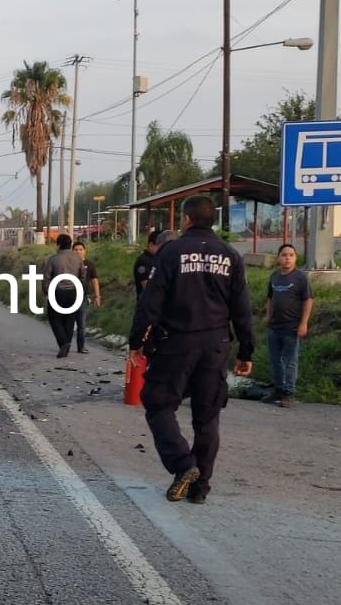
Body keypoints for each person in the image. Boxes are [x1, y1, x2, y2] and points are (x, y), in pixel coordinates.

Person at [128, 194, 253, 505]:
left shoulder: (171, 252)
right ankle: (200, 489)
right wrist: (246, 351)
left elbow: (150, 303)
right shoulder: (230, 256)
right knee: (207, 417)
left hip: (178, 343)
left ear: (186, 219)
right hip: (216, 345)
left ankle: (184, 465)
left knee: (157, 403)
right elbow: (242, 309)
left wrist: (137, 343)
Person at [263, 243, 313, 408]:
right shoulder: (274, 277)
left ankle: (289, 393)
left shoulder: (300, 278)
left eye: (291, 255)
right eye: (284, 255)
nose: (287, 258)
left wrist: (303, 323)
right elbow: (270, 298)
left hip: (292, 327)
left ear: (295, 258)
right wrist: (268, 316)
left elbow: (308, 300)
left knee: (290, 361)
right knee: (275, 360)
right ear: (278, 258)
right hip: (274, 327)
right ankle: (278, 389)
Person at [43, 234, 85, 358]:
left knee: (54, 318)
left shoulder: (53, 259)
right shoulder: (77, 259)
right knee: (70, 319)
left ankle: (63, 342)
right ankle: (67, 343)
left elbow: (46, 278)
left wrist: (46, 292)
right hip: (74, 292)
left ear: (59, 245)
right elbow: (83, 275)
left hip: (57, 292)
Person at [72, 240, 101, 353]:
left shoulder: (89, 264)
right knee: (68, 323)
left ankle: (81, 347)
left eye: (80, 249)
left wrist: (97, 296)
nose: (78, 252)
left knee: (81, 324)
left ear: (85, 251)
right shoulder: (69, 264)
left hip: (82, 297)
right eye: (75, 250)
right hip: (69, 297)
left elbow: (94, 280)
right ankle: (65, 345)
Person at [133, 231, 160, 299]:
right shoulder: (143, 262)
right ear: (151, 245)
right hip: (147, 305)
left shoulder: (156, 259)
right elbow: (147, 286)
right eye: (160, 246)